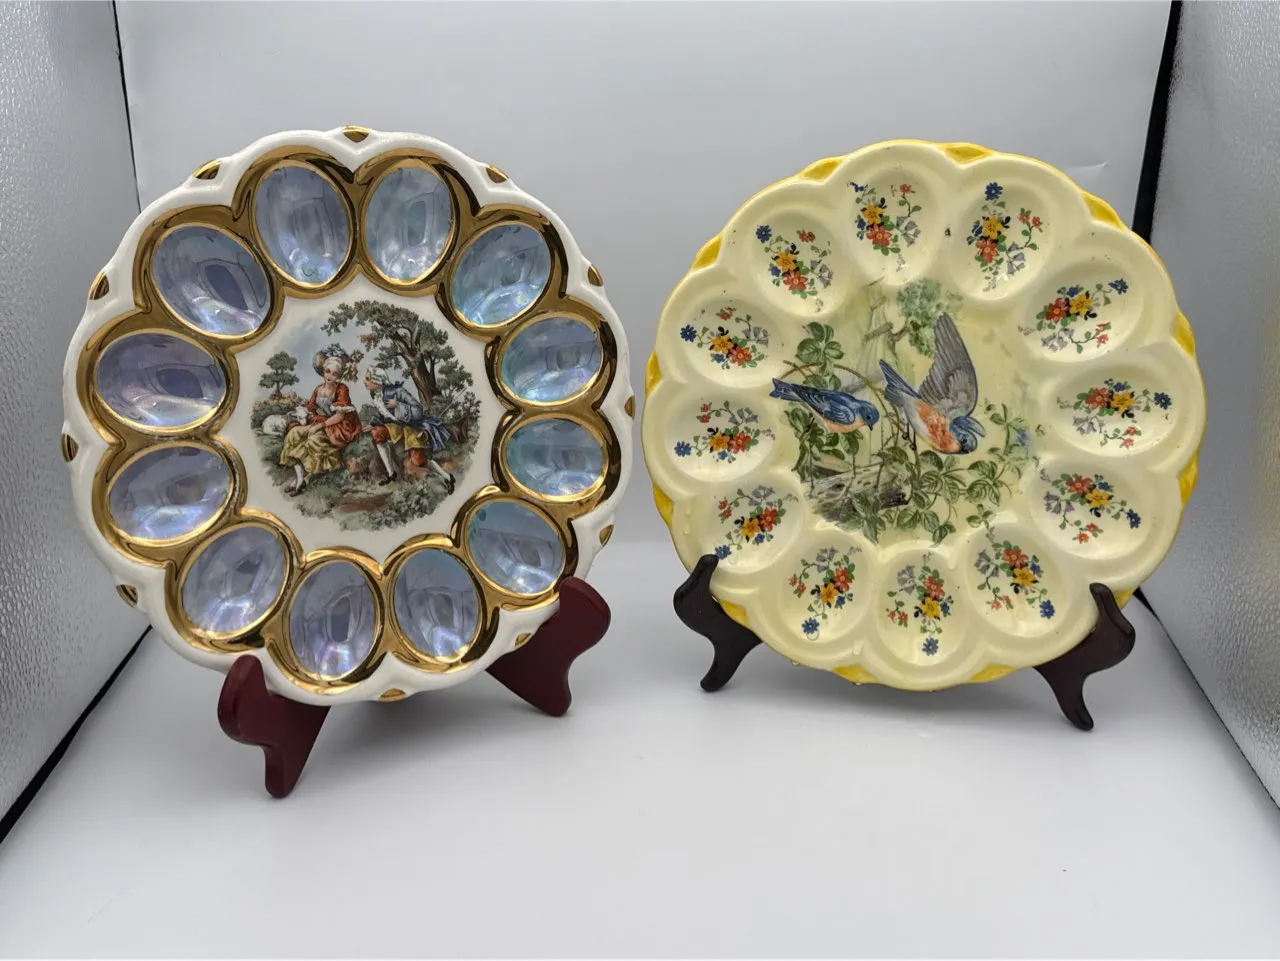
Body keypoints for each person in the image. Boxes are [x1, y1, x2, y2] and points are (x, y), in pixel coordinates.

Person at [279, 352, 363, 495]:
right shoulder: (318, 389)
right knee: (294, 433)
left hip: (339, 424)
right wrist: (307, 415)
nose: (330, 376)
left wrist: (319, 426)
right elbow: (310, 408)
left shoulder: (342, 389)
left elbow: (339, 416)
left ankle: (305, 480)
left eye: (334, 374)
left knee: (313, 440)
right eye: (328, 371)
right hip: (322, 420)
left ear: (339, 376)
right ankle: (299, 477)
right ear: (323, 371)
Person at [363, 367, 455, 493]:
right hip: (397, 427)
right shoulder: (376, 394)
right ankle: (391, 474)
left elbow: (418, 411)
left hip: (412, 428)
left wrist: (398, 406)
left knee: (419, 461)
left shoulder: (397, 391)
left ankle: (447, 477)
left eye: (368, 379)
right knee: (377, 432)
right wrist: (372, 423)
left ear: (377, 381)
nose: (365, 382)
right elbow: (383, 413)